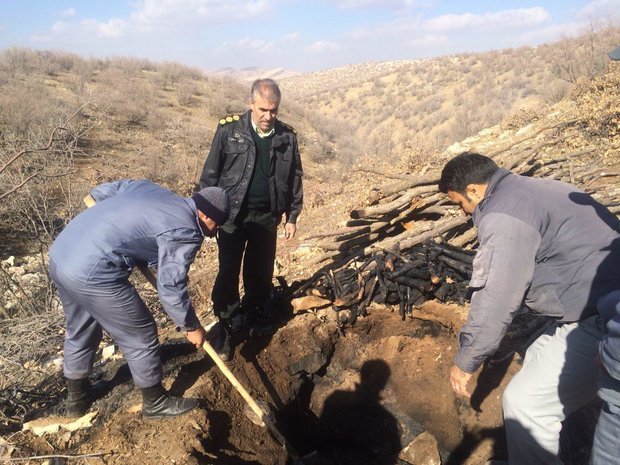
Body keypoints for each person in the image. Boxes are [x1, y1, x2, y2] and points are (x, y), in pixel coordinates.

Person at [438, 152, 620, 464]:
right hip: (594, 297)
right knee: (536, 353)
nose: (463, 212)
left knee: (524, 403)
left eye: (460, 203)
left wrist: (467, 360)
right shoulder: (535, 188)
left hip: (603, 315)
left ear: (473, 190)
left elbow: (496, 295)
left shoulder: (503, 216)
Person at [49, 179, 230, 419]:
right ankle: (155, 404)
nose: (212, 233)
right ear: (208, 217)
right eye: (216, 227)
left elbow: (102, 191)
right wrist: (191, 326)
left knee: (82, 326)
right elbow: (171, 287)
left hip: (62, 255)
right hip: (93, 270)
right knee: (141, 331)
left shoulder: (156, 192)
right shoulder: (186, 230)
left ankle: (78, 399)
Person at [198, 78, 303, 359]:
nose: (268, 116)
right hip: (232, 215)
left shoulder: (287, 137)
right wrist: (204, 213)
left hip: (267, 215)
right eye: (263, 110)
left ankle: (257, 313)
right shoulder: (229, 130)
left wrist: (292, 215)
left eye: (274, 111)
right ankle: (228, 324)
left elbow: (295, 178)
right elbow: (210, 174)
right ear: (250, 104)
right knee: (228, 269)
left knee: (260, 269)